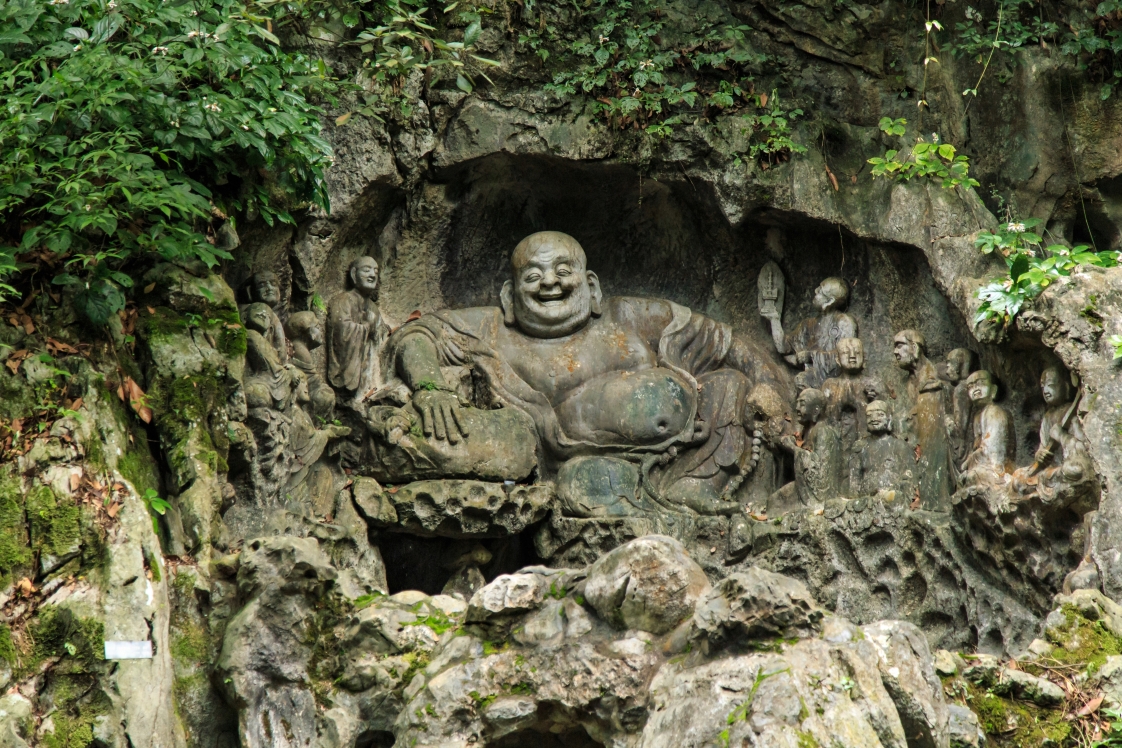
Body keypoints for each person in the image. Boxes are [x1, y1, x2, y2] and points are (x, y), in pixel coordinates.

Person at [386, 231, 786, 515]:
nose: (549, 283)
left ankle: (698, 488)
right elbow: (415, 334)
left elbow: (727, 345)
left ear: (591, 286)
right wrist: (429, 387)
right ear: (510, 297)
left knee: (731, 385)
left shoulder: (628, 316)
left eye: (563, 269)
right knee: (585, 481)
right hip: (582, 465)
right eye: (532, 276)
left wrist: (770, 387)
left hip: (685, 452)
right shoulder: (492, 328)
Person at [894, 329, 953, 511]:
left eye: (899, 345)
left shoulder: (938, 372)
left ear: (914, 347)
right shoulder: (910, 381)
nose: (895, 352)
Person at [763, 276, 857, 389]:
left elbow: (847, 356)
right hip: (811, 377)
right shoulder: (807, 325)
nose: (815, 290)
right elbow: (784, 347)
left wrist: (811, 356)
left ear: (829, 301)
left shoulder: (844, 322)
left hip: (837, 383)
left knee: (803, 380)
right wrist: (774, 320)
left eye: (820, 291)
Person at [327, 257, 391, 411]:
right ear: (354, 274)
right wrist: (366, 328)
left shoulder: (373, 307)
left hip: (368, 364)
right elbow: (341, 329)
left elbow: (381, 335)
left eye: (376, 271)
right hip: (351, 365)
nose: (372, 275)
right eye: (367, 270)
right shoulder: (343, 300)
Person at [958, 371, 1014, 488]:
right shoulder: (978, 416)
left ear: (993, 390)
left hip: (996, 466)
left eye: (981, 383)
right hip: (982, 464)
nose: (976, 389)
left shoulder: (994, 412)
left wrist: (969, 461)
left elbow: (993, 449)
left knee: (973, 477)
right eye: (971, 386)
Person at [850, 400, 915, 500]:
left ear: (889, 418)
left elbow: (910, 478)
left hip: (893, 499)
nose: (874, 419)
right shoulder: (860, 448)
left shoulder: (900, 446)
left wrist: (893, 491)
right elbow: (854, 483)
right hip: (865, 501)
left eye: (880, 414)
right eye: (869, 415)